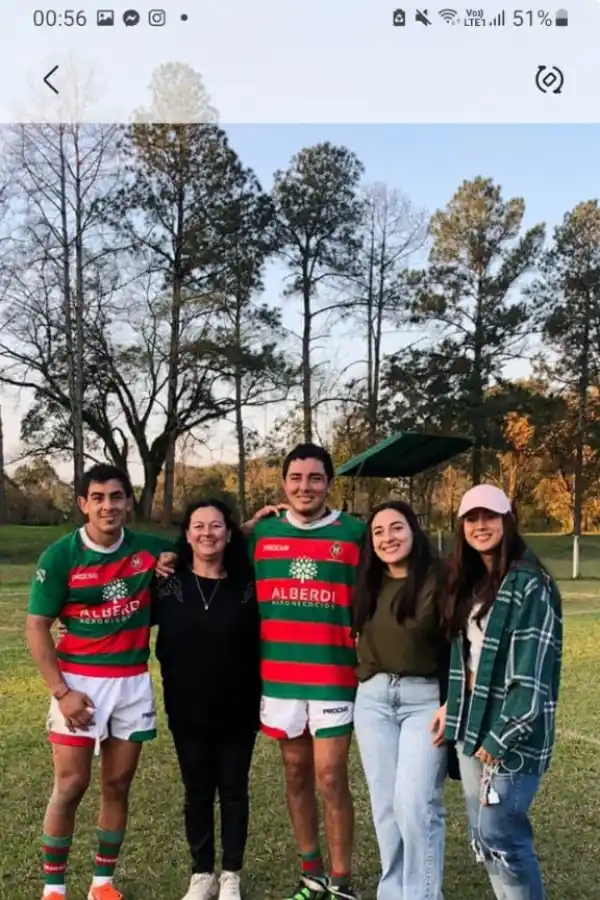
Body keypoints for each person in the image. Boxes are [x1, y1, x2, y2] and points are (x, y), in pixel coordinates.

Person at [25, 464, 173, 900]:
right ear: (83, 504)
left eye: (116, 497)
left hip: (131, 681)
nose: (108, 506)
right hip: (79, 684)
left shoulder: (148, 548)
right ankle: (54, 888)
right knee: (71, 786)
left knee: (117, 785)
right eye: (98, 498)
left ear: (128, 501)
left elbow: (209, 539)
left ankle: (102, 884)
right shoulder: (60, 556)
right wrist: (62, 692)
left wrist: (250, 526)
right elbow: (36, 628)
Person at [247, 443, 366, 900]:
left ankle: (341, 881)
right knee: (295, 775)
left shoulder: (355, 533)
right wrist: (247, 523)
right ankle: (311, 874)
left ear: (329, 484)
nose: (305, 487)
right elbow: (207, 543)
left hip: (334, 676)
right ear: (283, 484)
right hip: (279, 678)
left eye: (315, 478)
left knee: (331, 778)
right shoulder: (263, 534)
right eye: (296, 478)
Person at [434, 484, 562, 900]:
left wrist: (502, 734)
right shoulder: (470, 581)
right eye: (471, 518)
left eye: (489, 516)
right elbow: (467, 660)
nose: (480, 525)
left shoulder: (529, 583)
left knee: (503, 837)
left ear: (508, 520)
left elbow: (532, 673)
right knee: (485, 838)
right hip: (471, 722)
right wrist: (450, 707)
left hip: (509, 732)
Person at [152, 500, 260, 900]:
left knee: (233, 791)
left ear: (230, 534)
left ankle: (230, 872)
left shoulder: (249, 585)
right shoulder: (167, 584)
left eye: (216, 526)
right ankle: (202, 873)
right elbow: (121, 614)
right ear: (186, 534)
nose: (207, 533)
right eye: (198, 526)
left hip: (239, 708)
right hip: (187, 709)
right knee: (196, 791)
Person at [352, 501, 452, 900]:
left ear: (414, 531)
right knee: (386, 807)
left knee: (415, 802)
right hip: (373, 700)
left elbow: (462, 643)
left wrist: (452, 699)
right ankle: (393, 892)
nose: (388, 538)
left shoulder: (442, 579)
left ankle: (423, 895)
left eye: (397, 528)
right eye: (378, 531)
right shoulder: (368, 582)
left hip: (424, 700)